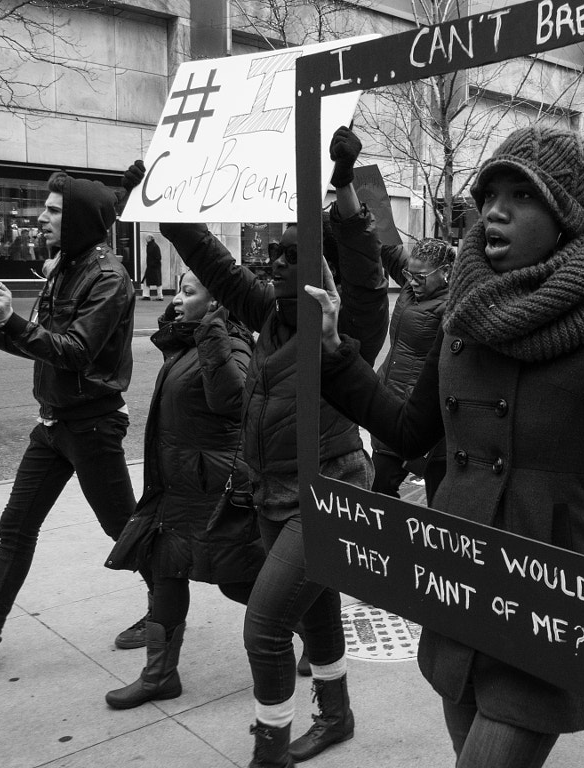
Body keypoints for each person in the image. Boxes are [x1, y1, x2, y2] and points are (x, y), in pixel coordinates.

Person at [308, 126, 584, 767]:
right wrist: (334, 356)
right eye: (489, 193)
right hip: (462, 585)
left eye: (522, 194)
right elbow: (408, 429)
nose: (495, 209)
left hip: (551, 600)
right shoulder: (466, 314)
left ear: (567, 211)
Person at [160, 129, 389, 766]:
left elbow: (367, 274)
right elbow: (218, 267)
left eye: (295, 254)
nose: (279, 262)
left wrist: (344, 189)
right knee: (315, 611)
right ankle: (336, 715)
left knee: (264, 627)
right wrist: (172, 212)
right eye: (276, 253)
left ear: (323, 265)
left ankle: (270, 748)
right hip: (272, 492)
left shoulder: (349, 328)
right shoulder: (268, 315)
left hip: (329, 492)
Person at [0, 164, 148, 675]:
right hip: (52, 424)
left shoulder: (110, 278)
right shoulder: (66, 264)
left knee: (123, 528)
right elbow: (42, 348)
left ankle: (166, 605)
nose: (41, 217)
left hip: (92, 426)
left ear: (74, 220)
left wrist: (13, 322)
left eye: (52, 210)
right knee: (15, 527)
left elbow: (74, 351)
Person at [104, 272, 262, 709]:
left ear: (218, 303)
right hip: (177, 490)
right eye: (177, 289)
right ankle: (159, 675)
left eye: (188, 292)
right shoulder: (188, 344)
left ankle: (315, 631)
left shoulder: (233, 342)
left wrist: (212, 330)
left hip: (214, 496)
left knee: (238, 583)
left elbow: (231, 402)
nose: (176, 300)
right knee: (166, 573)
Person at [327, 150, 454, 501]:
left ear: (445, 273)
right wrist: (353, 182)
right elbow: (383, 243)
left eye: (421, 277)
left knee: (442, 499)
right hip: (392, 406)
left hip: (426, 420)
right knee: (381, 489)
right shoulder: (415, 285)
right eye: (409, 274)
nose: (411, 281)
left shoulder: (454, 305)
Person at [143, 235, 163, 300]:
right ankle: (158, 295)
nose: (146, 239)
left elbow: (158, 257)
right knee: (156, 281)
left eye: (147, 238)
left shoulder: (153, 246)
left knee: (153, 281)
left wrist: (152, 264)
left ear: (150, 238)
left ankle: (148, 295)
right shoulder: (153, 246)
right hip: (153, 266)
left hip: (153, 267)